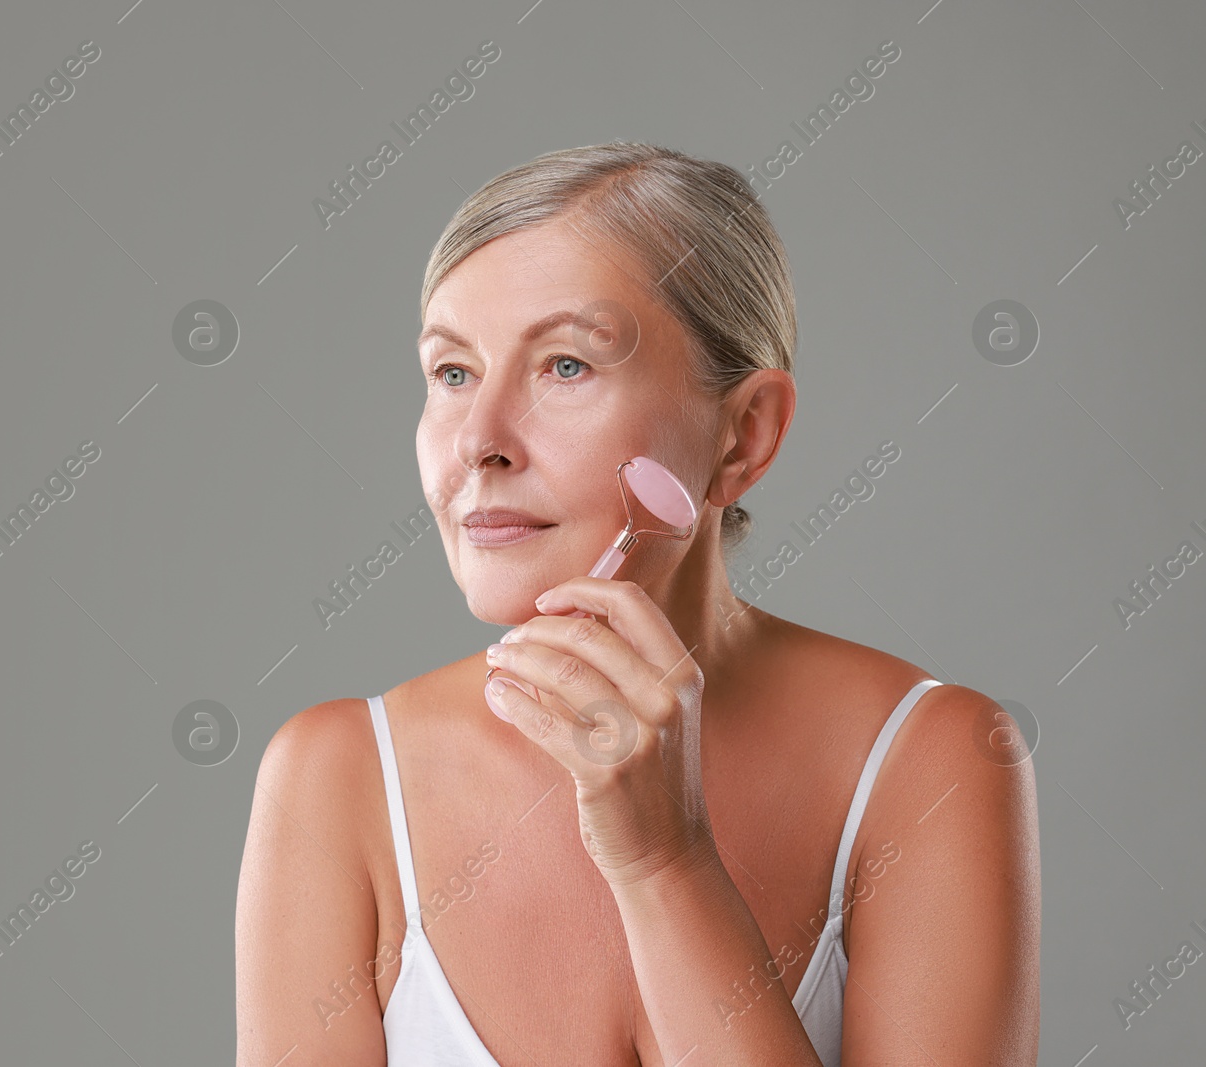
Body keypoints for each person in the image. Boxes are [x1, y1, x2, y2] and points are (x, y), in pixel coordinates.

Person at [235, 142, 1040, 1065]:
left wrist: (667, 863)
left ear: (743, 435)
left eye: (565, 366)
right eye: (453, 373)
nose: (479, 442)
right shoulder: (334, 777)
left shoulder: (930, 760)